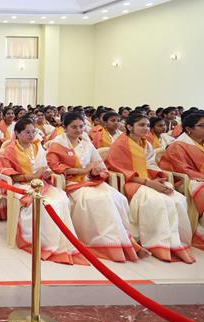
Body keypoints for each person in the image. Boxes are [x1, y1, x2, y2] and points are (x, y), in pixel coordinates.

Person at [47, 112, 141, 262]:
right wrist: (82, 170)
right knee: (99, 200)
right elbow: (55, 167)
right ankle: (104, 244)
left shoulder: (86, 143)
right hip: (72, 184)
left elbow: (99, 164)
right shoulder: (57, 144)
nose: (78, 130)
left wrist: (96, 170)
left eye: (81, 126)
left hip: (91, 180)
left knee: (117, 198)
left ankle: (126, 242)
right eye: (73, 127)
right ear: (64, 127)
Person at [0, 118, 87, 265]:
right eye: (27, 132)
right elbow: (9, 176)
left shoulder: (38, 147)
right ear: (17, 133)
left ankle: (61, 242)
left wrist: (46, 173)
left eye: (33, 132)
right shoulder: (10, 151)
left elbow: (45, 166)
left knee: (62, 198)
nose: (31, 135)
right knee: (46, 203)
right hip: (20, 185)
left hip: (40, 183)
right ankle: (44, 243)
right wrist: (32, 176)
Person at [107, 113, 195, 263]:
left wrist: (157, 180)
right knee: (156, 201)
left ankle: (177, 244)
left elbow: (150, 165)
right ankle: (158, 244)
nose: (146, 128)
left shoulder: (146, 144)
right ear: (129, 127)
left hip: (148, 178)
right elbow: (119, 170)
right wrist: (148, 183)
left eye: (147, 125)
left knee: (176, 199)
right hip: (131, 181)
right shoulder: (120, 144)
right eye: (141, 125)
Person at [159, 112, 204, 259]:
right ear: (189, 129)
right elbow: (182, 170)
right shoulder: (178, 146)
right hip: (190, 181)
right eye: (202, 126)